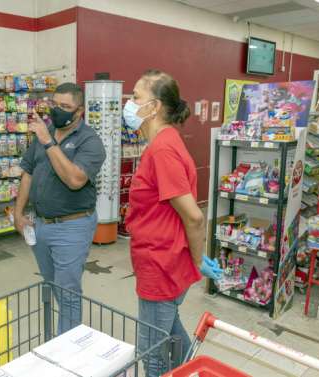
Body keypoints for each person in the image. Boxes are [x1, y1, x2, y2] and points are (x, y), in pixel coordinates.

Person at [123, 70, 222, 377]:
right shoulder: (166, 142)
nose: (130, 103)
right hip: (164, 260)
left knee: (152, 353)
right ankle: (191, 370)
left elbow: (193, 215)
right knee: (174, 337)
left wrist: (196, 259)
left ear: (153, 107)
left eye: (136, 97)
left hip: (160, 266)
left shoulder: (163, 149)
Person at [15, 83, 106, 334]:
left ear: (80, 111)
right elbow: (28, 172)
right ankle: (68, 334)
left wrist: (48, 142)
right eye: (55, 104)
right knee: (52, 284)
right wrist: (18, 212)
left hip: (73, 226)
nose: (58, 111)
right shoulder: (49, 130)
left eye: (65, 106)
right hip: (40, 224)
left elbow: (75, 180)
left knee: (67, 292)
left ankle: (69, 348)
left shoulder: (90, 142)